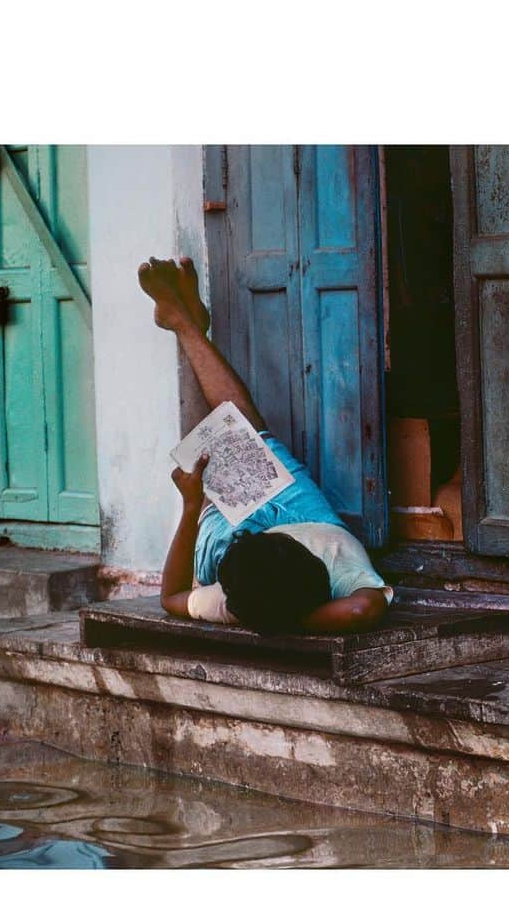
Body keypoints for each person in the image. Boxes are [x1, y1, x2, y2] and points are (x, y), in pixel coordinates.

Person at [140, 256, 392, 634]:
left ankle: (183, 324)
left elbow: (171, 596)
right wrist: (286, 619)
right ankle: (187, 326)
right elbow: (360, 612)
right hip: (316, 528)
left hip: (238, 548)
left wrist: (193, 505)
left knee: (213, 451)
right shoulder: (340, 567)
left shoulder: (233, 599)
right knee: (244, 428)